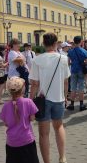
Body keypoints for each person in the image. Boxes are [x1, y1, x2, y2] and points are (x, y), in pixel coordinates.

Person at [29, 33, 70, 163]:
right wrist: (65, 95)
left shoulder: (37, 59)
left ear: (43, 44)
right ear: (55, 43)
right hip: (59, 98)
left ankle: (47, 161)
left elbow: (34, 83)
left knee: (43, 133)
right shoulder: (63, 59)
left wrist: (30, 100)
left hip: (43, 100)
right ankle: (62, 157)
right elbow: (65, 81)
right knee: (59, 127)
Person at [0, 77, 39, 163]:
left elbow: (6, 123)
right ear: (23, 89)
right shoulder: (28, 102)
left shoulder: (6, 106)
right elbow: (32, 118)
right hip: (27, 140)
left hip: (12, 142)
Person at [67, 36, 87, 111]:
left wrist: (73, 63)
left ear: (74, 41)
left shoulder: (70, 51)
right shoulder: (84, 51)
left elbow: (68, 62)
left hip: (73, 70)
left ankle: (72, 104)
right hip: (81, 71)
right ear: (80, 42)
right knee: (81, 88)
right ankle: (81, 105)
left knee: (73, 88)